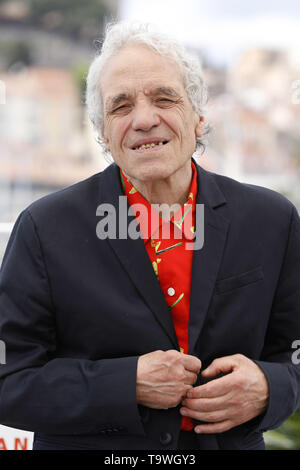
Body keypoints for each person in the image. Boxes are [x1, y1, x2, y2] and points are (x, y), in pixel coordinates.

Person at [0, 21, 299, 451]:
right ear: (103, 134)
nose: (144, 119)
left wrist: (272, 387)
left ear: (198, 117)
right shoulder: (43, 229)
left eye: (164, 98)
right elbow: (9, 380)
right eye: (121, 106)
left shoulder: (273, 220)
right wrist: (126, 384)